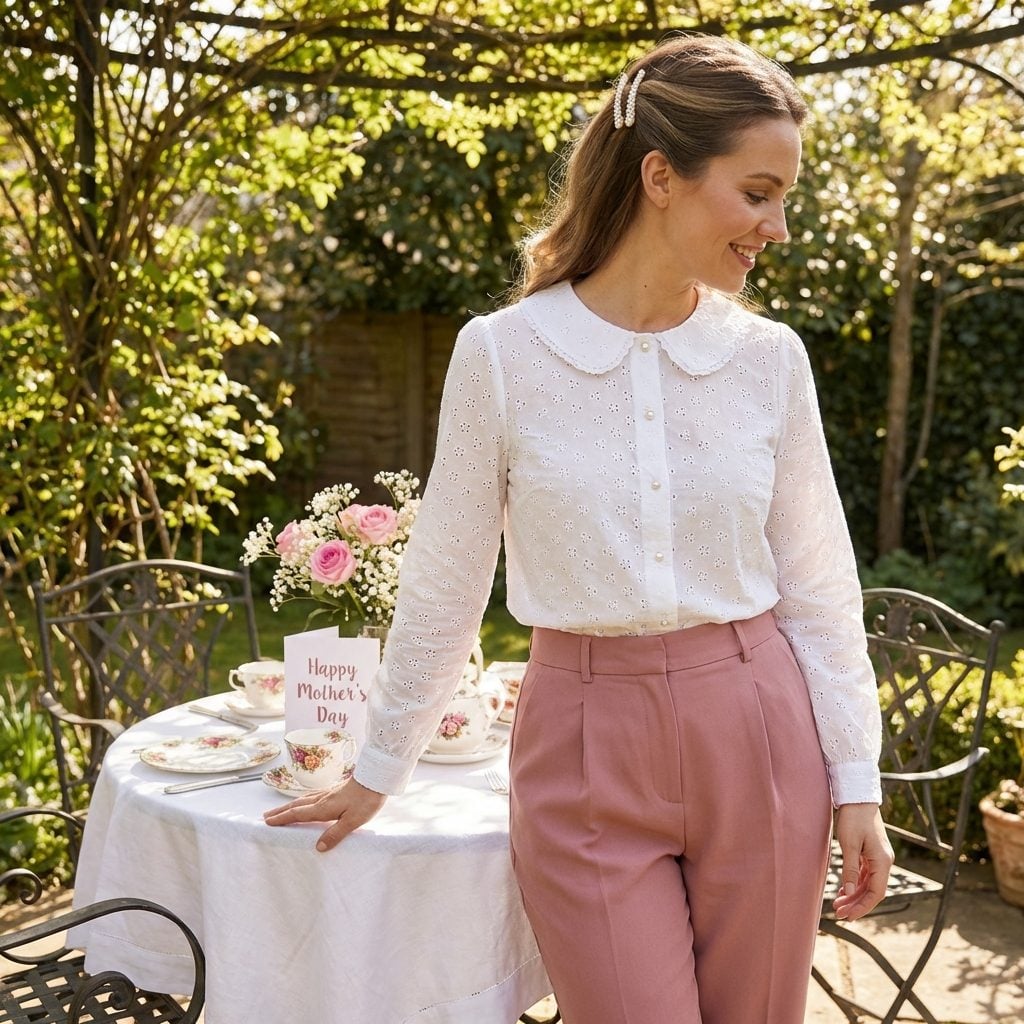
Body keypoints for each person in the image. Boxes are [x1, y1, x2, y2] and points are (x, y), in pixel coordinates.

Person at [265, 32, 894, 1024]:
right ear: (661, 176)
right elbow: (445, 579)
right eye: (758, 191)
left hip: (759, 728)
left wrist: (854, 777)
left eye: (786, 198)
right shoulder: (504, 355)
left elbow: (818, 587)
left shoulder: (768, 360)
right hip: (582, 738)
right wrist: (380, 767)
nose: (777, 227)